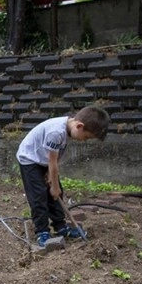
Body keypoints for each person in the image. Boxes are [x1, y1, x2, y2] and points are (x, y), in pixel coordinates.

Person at [16, 105, 110, 247]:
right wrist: (53, 186)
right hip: (30, 159)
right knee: (39, 196)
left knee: (57, 193)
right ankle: (42, 232)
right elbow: (52, 161)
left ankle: (60, 227)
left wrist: (53, 181)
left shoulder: (67, 128)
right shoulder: (56, 132)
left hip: (44, 159)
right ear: (79, 126)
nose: (84, 140)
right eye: (86, 137)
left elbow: (56, 156)